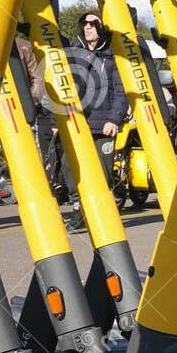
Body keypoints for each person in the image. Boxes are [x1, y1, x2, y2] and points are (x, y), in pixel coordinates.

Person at [65, 11, 129, 207]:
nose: (88, 27)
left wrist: (115, 119)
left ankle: (103, 210)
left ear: (102, 28)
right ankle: (78, 207)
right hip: (78, 122)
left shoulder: (114, 56)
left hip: (104, 125)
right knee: (72, 168)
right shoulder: (74, 52)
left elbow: (122, 90)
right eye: (84, 23)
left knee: (103, 172)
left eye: (93, 23)